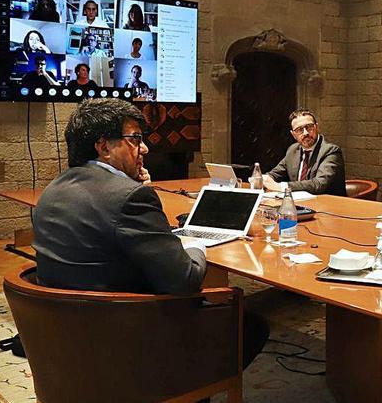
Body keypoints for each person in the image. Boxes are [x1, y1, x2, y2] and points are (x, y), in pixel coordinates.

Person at [31, 99, 268, 369]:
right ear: (104, 146)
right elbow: (185, 281)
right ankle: (185, 392)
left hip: (67, 334)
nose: (144, 148)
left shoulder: (52, 190)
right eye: (134, 139)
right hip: (129, 340)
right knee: (250, 325)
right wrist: (194, 244)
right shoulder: (129, 196)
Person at [263, 108, 346, 196]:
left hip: (329, 206)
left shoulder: (331, 151)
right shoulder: (293, 150)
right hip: (299, 204)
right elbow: (274, 174)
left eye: (309, 127)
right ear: (293, 135)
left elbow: (318, 184)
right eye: (299, 130)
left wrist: (282, 187)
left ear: (316, 127)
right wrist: (262, 179)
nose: (305, 133)